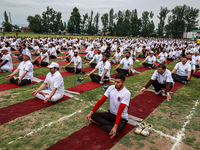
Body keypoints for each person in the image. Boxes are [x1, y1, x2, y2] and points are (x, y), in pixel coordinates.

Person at [85, 74, 130, 139]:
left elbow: (120, 110)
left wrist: (115, 126)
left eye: (118, 82)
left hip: (121, 118)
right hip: (111, 114)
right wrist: (90, 113)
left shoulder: (126, 93)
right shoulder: (111, 88)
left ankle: (104, 124)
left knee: (114, 130)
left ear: (123, 83)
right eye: (115, 81)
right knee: (93, 115)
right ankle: (109, 124)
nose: (116, 84)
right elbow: (101, 101)